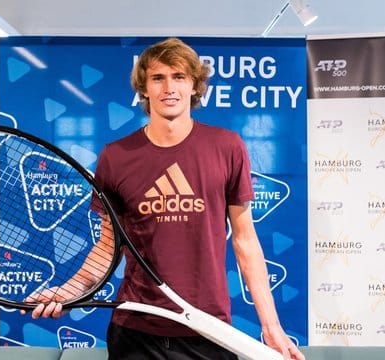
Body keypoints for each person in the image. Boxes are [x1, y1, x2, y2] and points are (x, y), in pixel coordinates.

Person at [26, 37, 305, 360]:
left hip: (208, 330)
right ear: (143, 88)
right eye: (158, 78)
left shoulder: (227, 147)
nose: (168, 88)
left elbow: (245, 241)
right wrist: (70, 291)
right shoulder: (115, 157)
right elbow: (107, 247)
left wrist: (271, 327)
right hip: (136, 331)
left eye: (179, 77)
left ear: (194, 87)